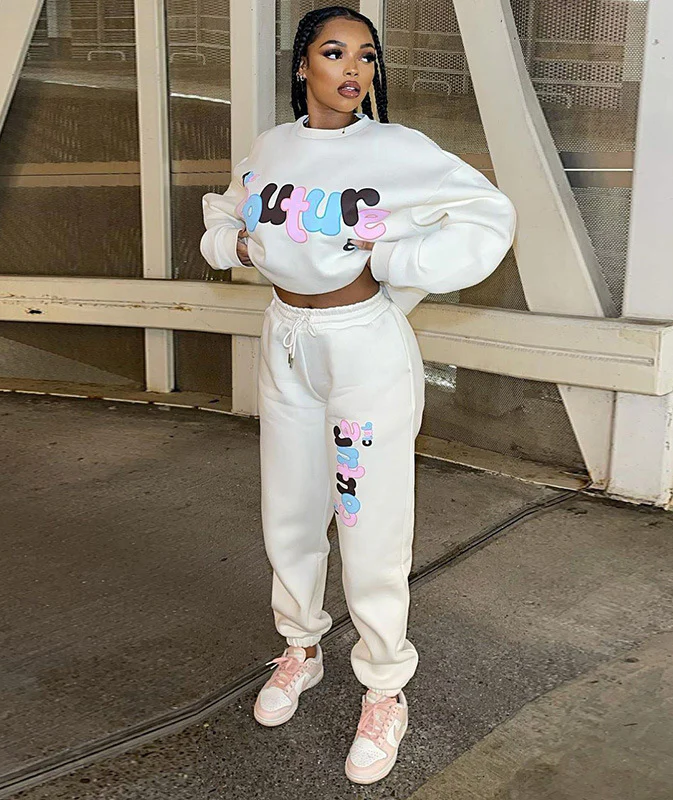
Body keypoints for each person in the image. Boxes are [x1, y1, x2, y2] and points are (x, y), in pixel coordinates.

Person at [201, 5, 515, 785]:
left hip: (362, 350)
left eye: (367, 56)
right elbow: (226, 209)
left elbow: (488, 215)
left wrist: (394, 259)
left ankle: (384, 687)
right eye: (335, 53)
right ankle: (300, 647)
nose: (353, 69)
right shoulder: (272, 147)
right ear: (301, 64)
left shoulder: (397, 150)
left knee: (368, 517)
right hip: (286, 342)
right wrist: (237, 244)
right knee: (289, 507)